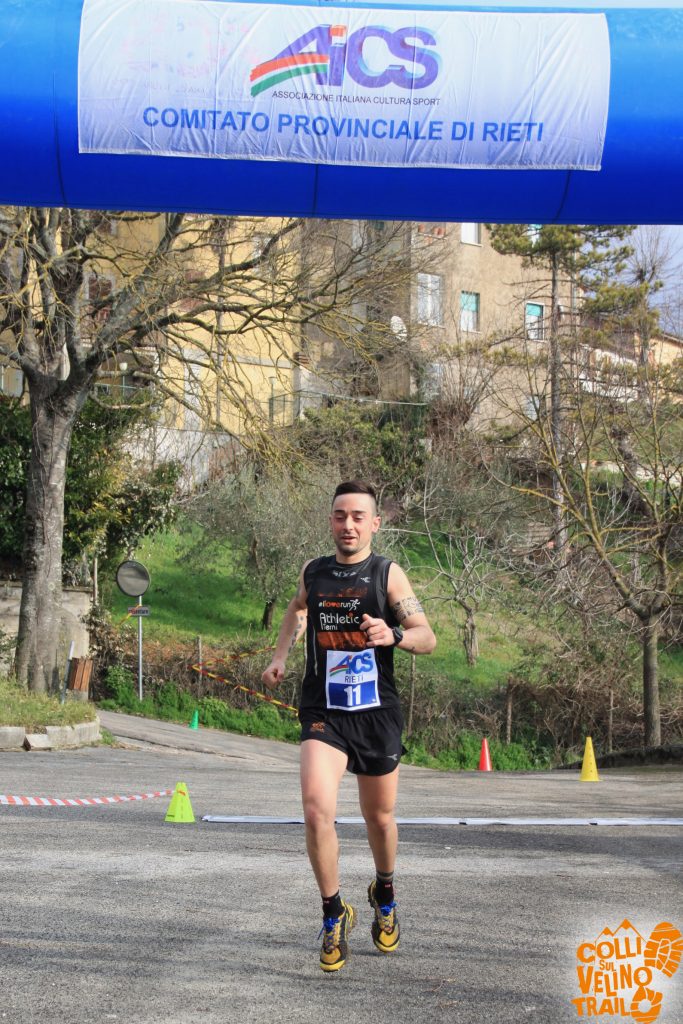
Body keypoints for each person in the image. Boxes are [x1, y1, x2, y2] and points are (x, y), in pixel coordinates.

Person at [262, 480, 436, 972]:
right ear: (330, 521)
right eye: (340, 516)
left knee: (378, 818)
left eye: (358, 516)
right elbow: (297, 610)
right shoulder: (314, 572)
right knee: (316, 809)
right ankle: (333, 912)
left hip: (376, 713)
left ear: (374, 524)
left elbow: (427, 637)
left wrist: (394, 634)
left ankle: (385, 892)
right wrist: (280, 656)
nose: (348, 525)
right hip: (324, 711)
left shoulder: (387, 575)